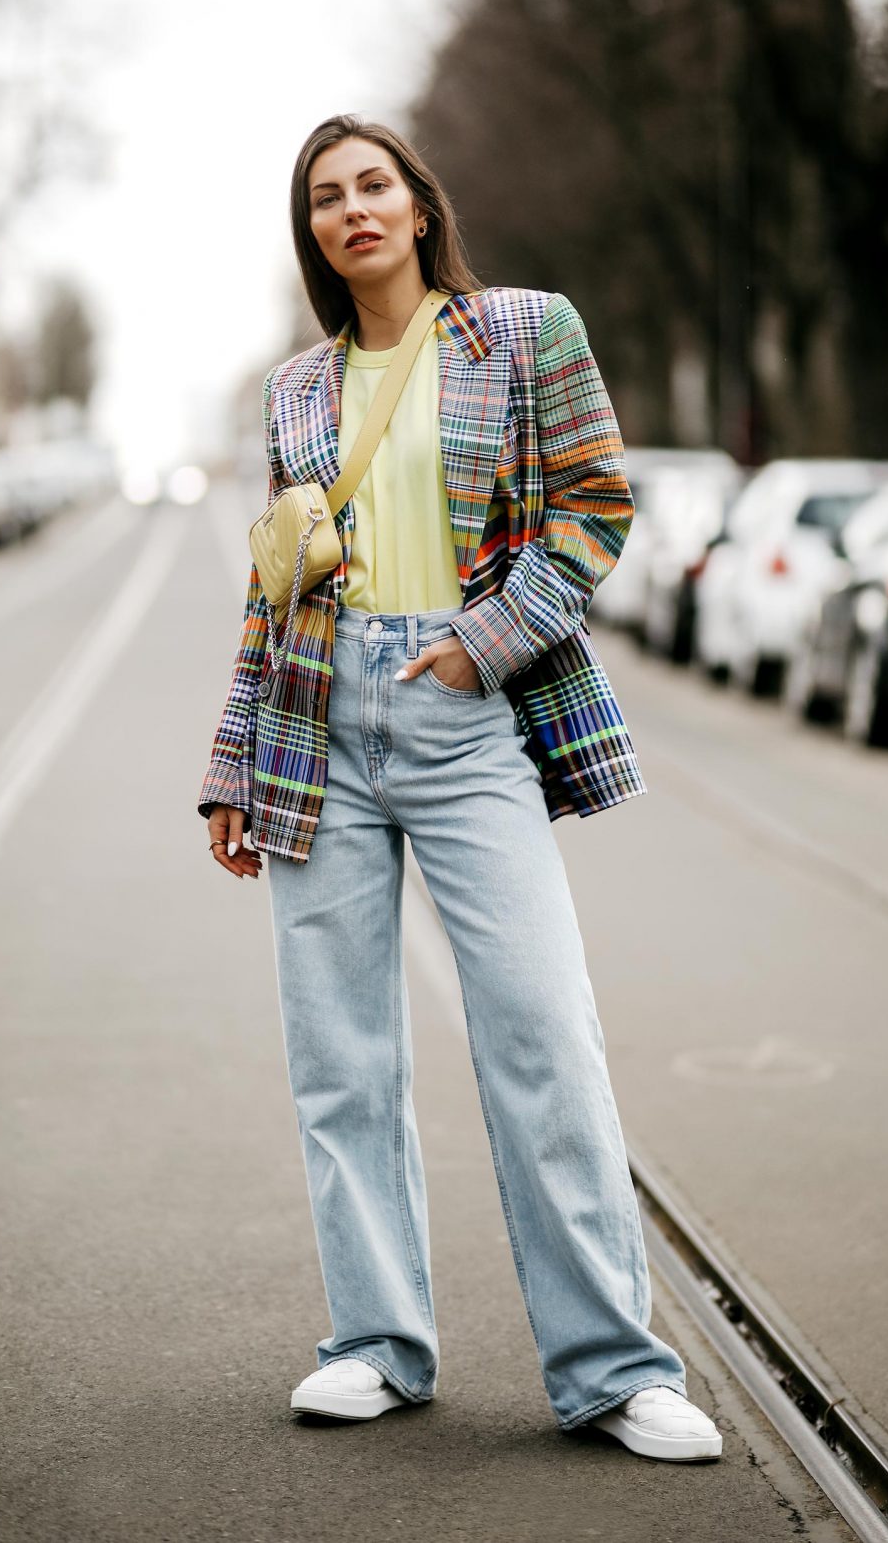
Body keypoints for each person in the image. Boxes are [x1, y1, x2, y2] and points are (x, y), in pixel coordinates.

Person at [200, 113, 721, 1462]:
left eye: (374, 185)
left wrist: (476, 645)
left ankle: (615, 1369)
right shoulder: (299, 391)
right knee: (342, 1060)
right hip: (320, 719)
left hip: (465, 708)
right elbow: (280, 582)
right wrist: (233, 766)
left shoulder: (527, 332)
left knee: (543, 1035)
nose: (352, 209)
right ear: (313, 231)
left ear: (419, 207)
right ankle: (375, 1344)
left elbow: (595, 509)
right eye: (326, 196)